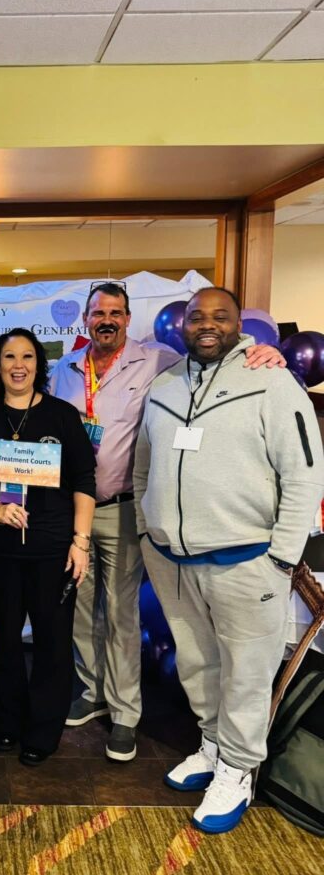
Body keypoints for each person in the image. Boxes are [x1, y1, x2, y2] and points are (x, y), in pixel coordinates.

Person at [51, 280, 287, 761]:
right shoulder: (64, 370)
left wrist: (259, 351)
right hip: (73, 511)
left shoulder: (159, 361)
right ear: (86, 319)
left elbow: (214, 355)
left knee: (121, 613)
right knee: (80, 608)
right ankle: (92, 691)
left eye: (115, 312)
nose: (106, 320)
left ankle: (124, 713)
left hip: (123, 508)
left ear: (127, 317)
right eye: (98, 312)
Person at [134, 286, 324, 834]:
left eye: (220, 316)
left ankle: (238, 771)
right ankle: (214, 746)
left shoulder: (272, 381)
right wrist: (147, 530)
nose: (207, 324)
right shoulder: (164, 385)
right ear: (183, 324)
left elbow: (304, 473)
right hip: (171, 559)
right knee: (197, 663)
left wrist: (283, 556)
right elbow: (144, 465)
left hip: (249, 560)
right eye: (197, 316)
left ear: (239, 325)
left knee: (246, 672)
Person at [0, 328, 96, 766]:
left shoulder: (62, 416)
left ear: (39, 365)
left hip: (54, 550)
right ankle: (7, 721)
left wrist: (80, 543)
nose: (18, 365)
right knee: (3, 639)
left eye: (27, 357)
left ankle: (43, 729)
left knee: (52, 643)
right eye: (9, 357)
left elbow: (84, 480)